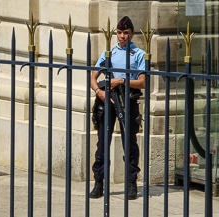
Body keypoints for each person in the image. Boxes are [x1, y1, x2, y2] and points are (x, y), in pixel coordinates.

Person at [89, 16, 146, 200]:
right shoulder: (109, 53)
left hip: (127, 100)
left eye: (126, 33)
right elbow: (93, 77)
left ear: (132, 34)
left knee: (129, 143)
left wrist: (121, 80)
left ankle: (131, 183)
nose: (122, 37)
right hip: (107, 101)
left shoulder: (138, 55)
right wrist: (99, 91)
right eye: (119, 33)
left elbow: (143, 82)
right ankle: (99, 182)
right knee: (102, 143)